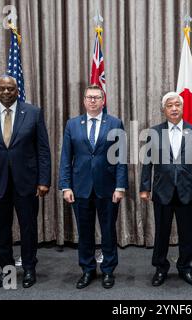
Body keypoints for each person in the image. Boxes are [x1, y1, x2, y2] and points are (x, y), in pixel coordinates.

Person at [0, 75, 51, 289]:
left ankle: (29, 269)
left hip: (27, 182)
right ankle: (7, 271)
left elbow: (43, 150)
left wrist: (44, 180)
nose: (6, 92)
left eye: (10, 88)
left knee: (28, 228)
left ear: (17, 91)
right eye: (2, 89)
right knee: (0, 230)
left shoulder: (33, 113)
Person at [59, 84, 128, 289]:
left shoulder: (115, 123)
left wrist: (120, 186)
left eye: (97, 97)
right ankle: (88, 270)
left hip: (108, 188)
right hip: (79, 188)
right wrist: (65, 186)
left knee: (108, 231)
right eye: (89, 97)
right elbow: (65, 158)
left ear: (103, 100)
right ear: (84, 100)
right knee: (85, 232)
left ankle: (108, 271)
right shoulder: (72, 124)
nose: (93, 101)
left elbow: (121, 158)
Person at [140, 91, 192, 287]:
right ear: (164, 109)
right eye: (169, 105)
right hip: (162, 191)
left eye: (177, 104)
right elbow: (147, 163)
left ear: (182, 107)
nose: (174, 108)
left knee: (187, 232)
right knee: (161, 232)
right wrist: (144, 187)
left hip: (187, 190)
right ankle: (160, 268)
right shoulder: (154, 132)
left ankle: (185, 268)